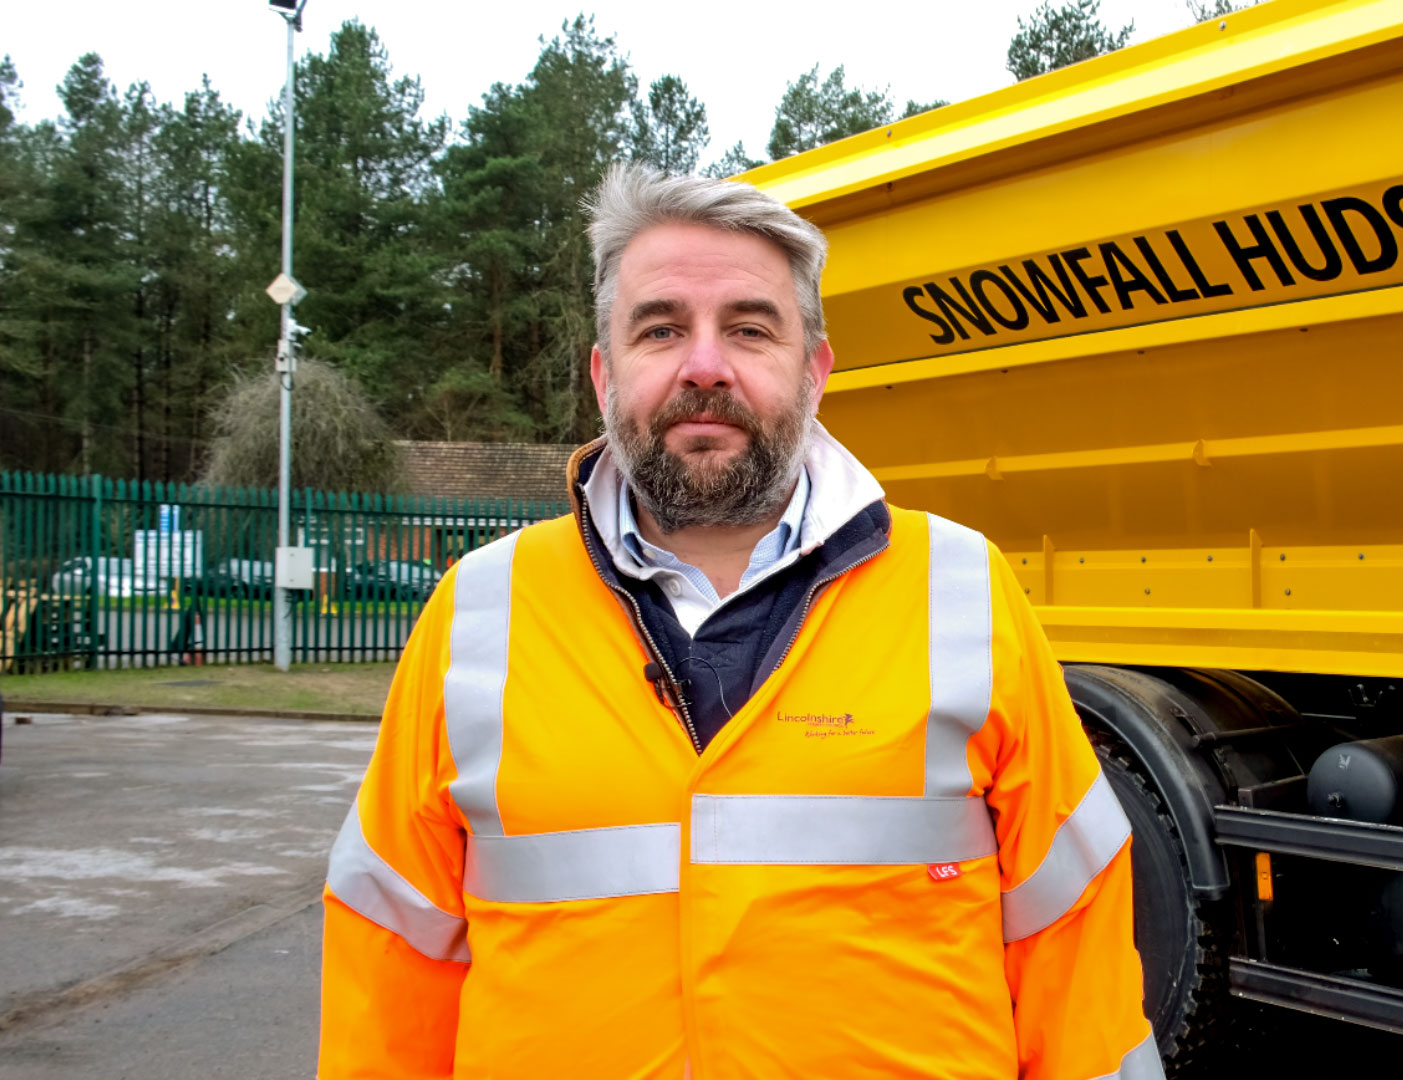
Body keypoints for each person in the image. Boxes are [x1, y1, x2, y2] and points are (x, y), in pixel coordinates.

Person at [318, 164, 1160, 1080]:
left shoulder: (961, 588)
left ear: (816, 369)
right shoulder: (480, 610)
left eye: (750, 329)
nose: (705, 365)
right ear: (606, 372)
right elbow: (391, 953)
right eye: (661, 328)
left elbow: (1070, 945)